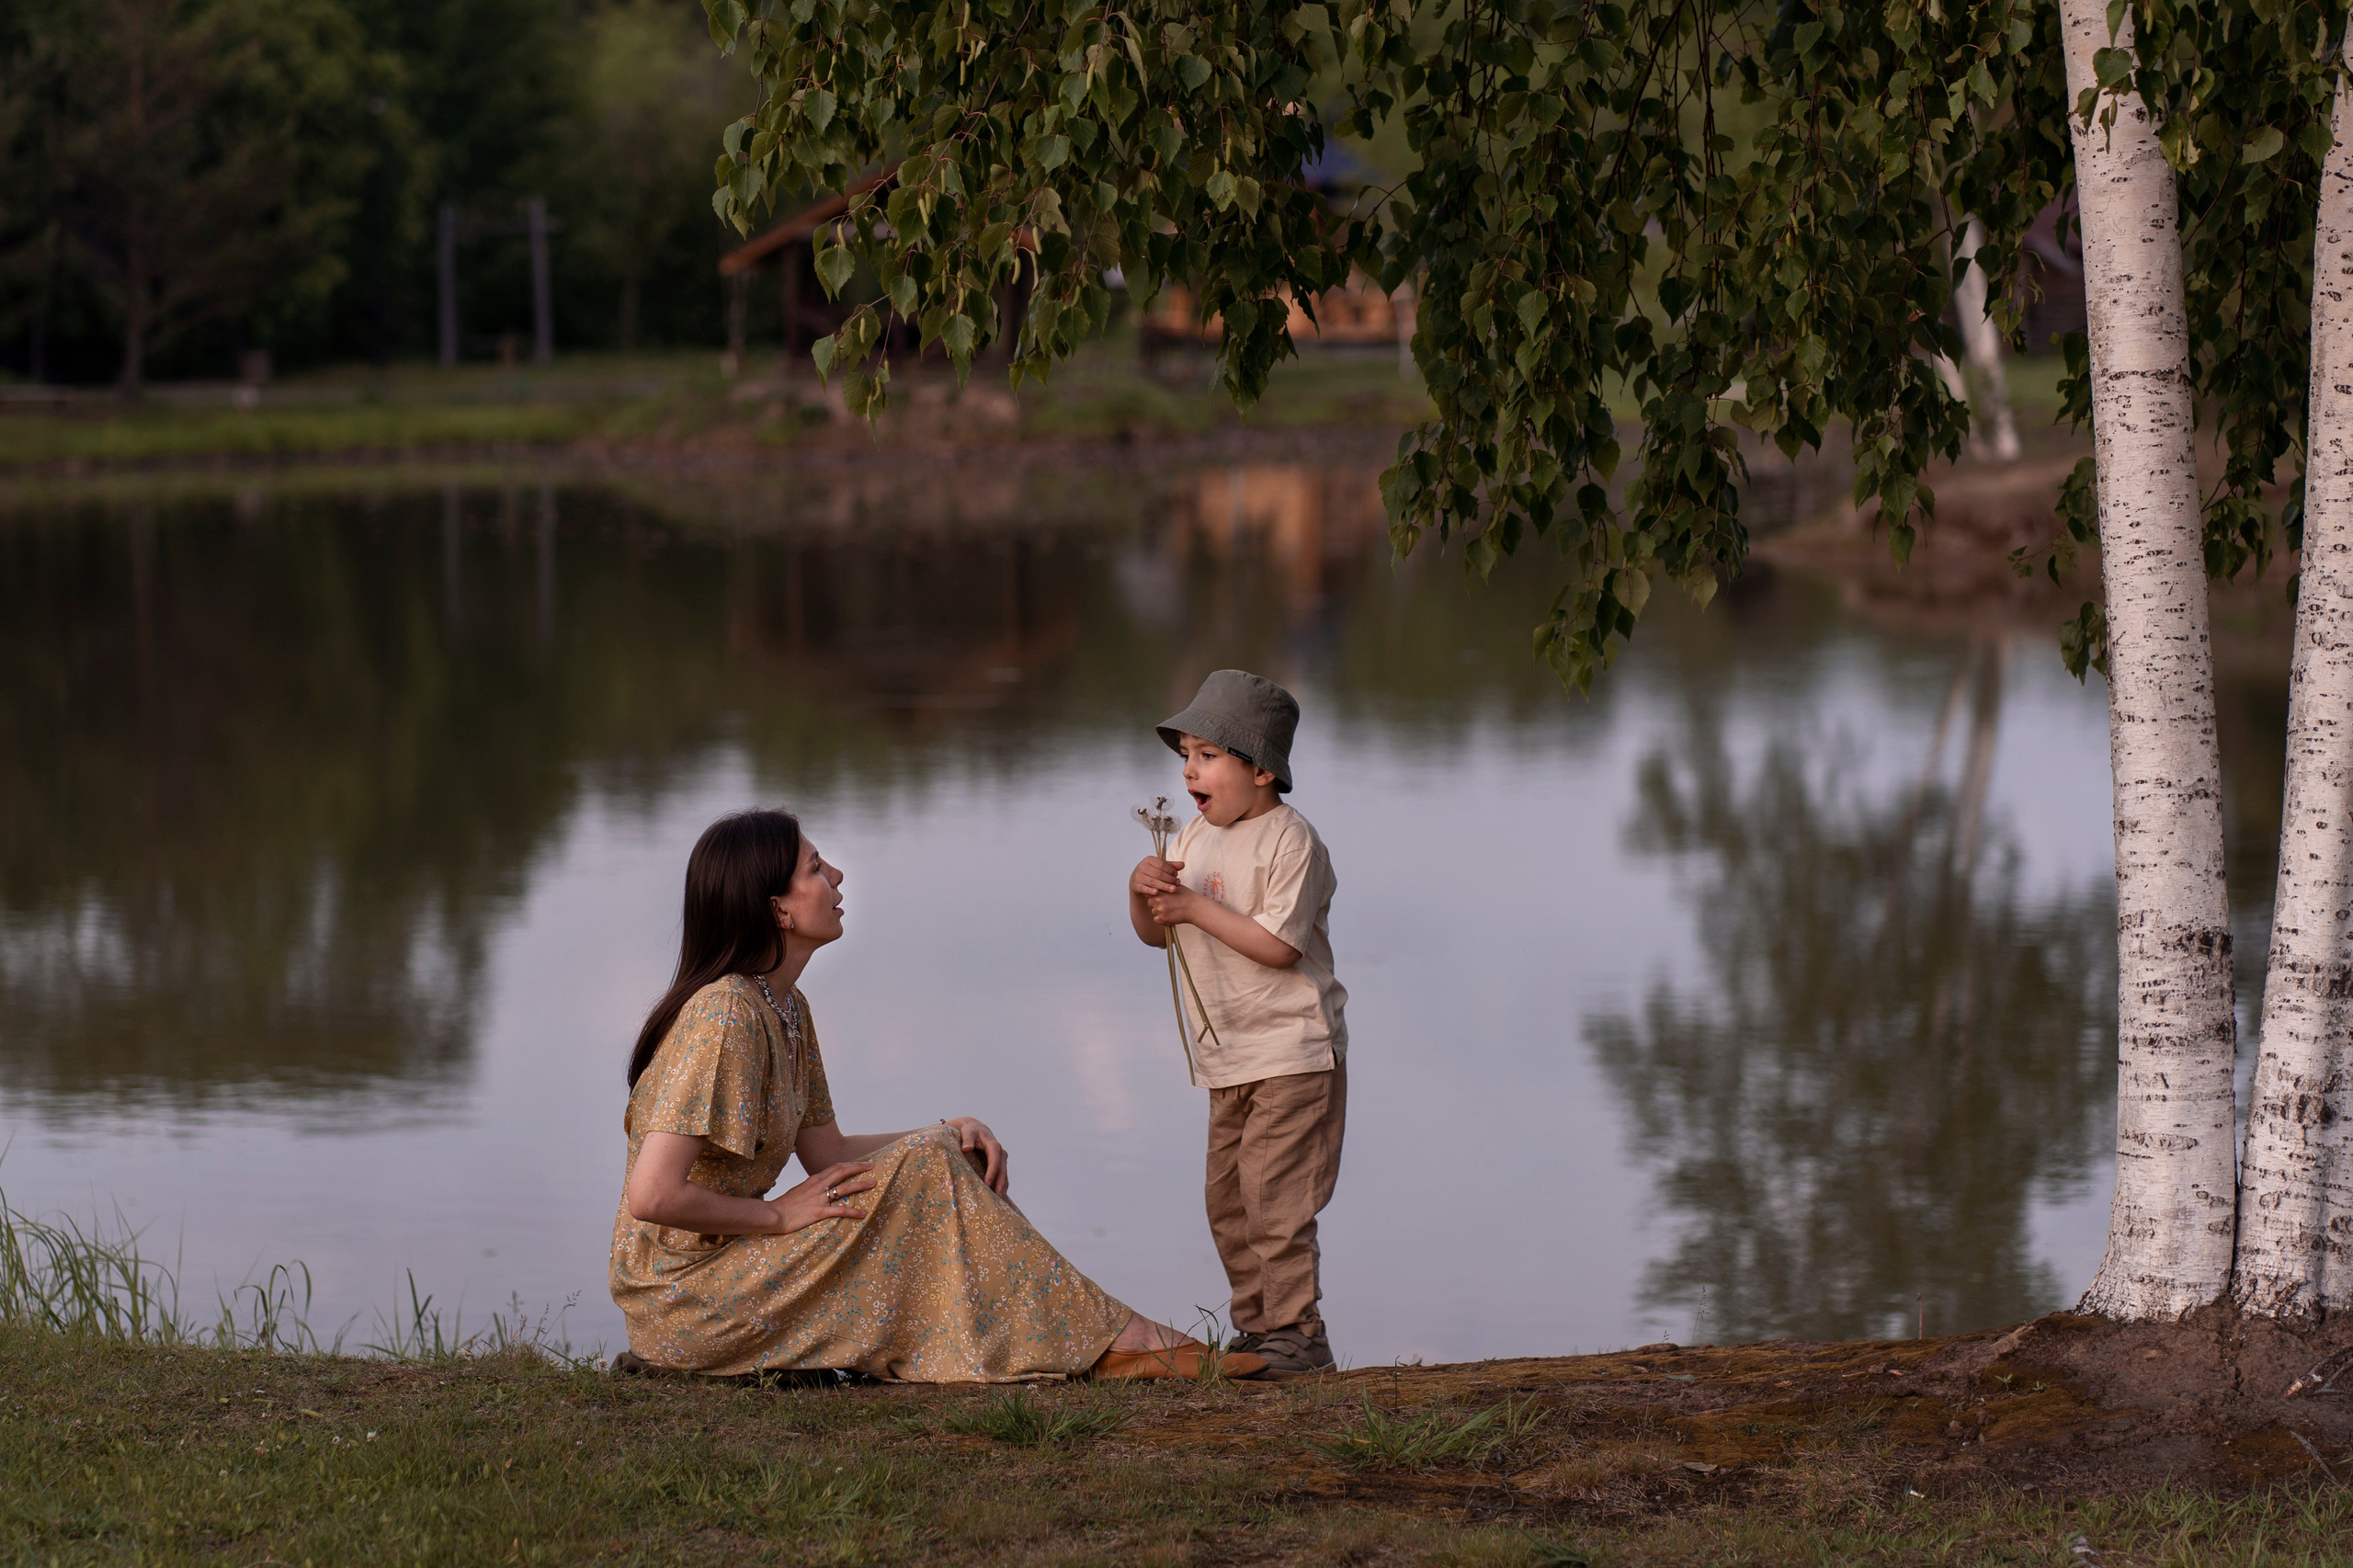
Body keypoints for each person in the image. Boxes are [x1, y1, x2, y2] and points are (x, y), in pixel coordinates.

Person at [610, 808, 1266, 1382]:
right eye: (816, 868)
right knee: (925, 1164)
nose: (837, 877)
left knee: (934, 1155)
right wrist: (780, 1218)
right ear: (777, 908)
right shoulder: (725, 1015)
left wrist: (946, 1133)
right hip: (688, 1302)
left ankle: (1104, 1339)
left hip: (732, 1274)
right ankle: (1120, 1341)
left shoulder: (784, 1007)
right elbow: (654, 1195)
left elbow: (827, 1152)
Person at [1126, 670, 1348, 1378]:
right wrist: (1148, 895)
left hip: (1291, 1051)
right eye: (1185, 755)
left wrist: (1194, 908)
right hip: (1229, 1058)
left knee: (1274, 1200)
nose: (1189, 769)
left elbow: (1279, 949)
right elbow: (1155, 936)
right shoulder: (1194, 833)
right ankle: (1260, 1332)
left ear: (1260, 770)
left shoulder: (1291, 842)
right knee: (1229, 1200)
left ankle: (1299, 1336)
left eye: (1207, 755)